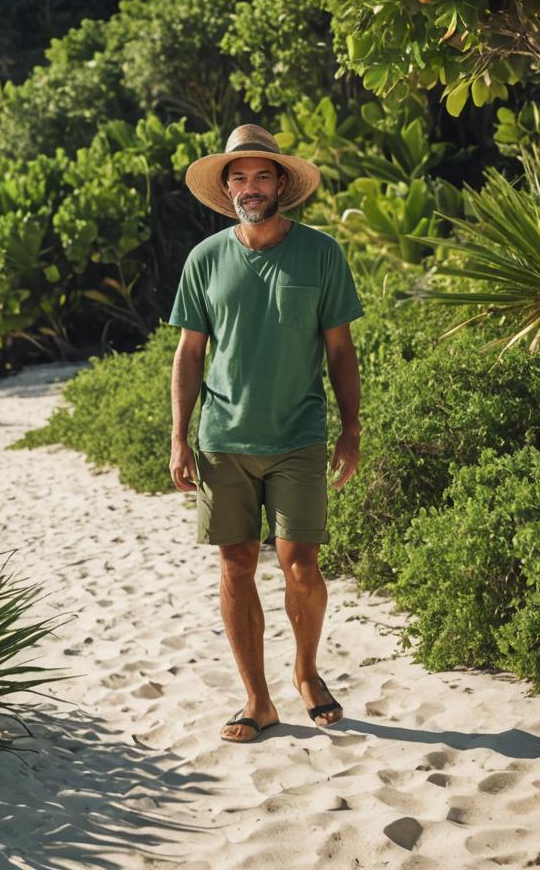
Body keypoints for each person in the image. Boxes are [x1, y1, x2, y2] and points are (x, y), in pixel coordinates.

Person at [167, 123, 363, 743]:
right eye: (238, 178)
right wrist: (178, 435)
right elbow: (188, 354)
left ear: (281, 183)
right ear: (226, 189)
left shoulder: (321, 253)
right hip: (222, 439)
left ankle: (306, 672)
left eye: (260, 176)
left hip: (299, 436)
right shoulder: (205, 259)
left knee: (300, 566)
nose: (249, 188)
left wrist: (350, 427)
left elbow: (341, 349)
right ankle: (258, 699)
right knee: (236, 566)